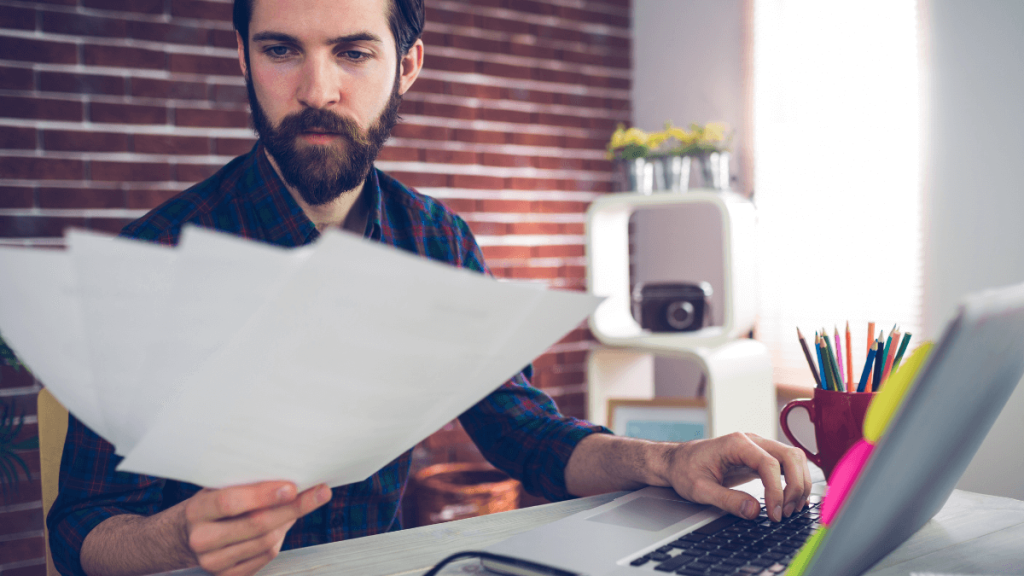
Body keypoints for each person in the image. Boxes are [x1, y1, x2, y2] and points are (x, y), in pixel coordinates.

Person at [46, 1, 812, 576]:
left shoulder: (437, 240)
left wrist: (664, 464)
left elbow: (523, 433)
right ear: (242, 56)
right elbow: (79, 529)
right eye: (282, 50)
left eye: (353, 52)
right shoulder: (154, 258)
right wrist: (176, 536)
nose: (317, 90)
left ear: (407, 63)